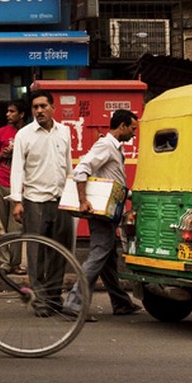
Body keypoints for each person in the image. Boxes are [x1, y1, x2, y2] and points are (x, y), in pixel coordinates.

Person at [62, 109, 142, 319]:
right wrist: (82, 201)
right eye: (132, 128)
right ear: (122, 126)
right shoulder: (105, 145)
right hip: (101, 214)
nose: (134, 133)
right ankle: (74, 303)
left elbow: (112, 177)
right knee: (98, 256)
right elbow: (82, 170)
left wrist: (131, 195)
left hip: (110, 212)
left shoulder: (114, 148)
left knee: (108, 259)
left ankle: (120, 302)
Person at [9, 89, 75, 311]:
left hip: (61, 200)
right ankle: (40, 300)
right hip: (34, 200)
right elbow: (17, 169)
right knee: (36, 253)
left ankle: (54, 298)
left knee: (59, 252)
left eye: (43, 106)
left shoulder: (64, 132)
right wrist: (17, 201)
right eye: (35, 107)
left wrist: (73, 196)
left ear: (52, 108)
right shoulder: (24, 135)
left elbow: (69, 167)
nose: (39, 111)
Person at [0, 98, 30, 273]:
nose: (8, 114)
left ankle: (15, 263)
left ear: (21, 114)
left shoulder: (29, 133)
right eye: (7, 111)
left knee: (16, 226)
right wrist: (3, 154)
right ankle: (3, 263)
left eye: (12, 111)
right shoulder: (2, 132)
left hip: (19, 185)